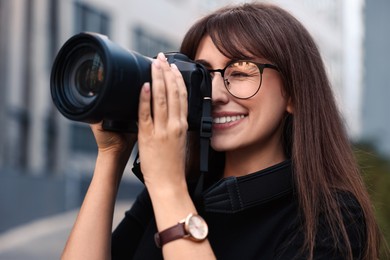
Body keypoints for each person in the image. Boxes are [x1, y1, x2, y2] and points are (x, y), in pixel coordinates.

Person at [61, 3, 382, 260]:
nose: (215, 94)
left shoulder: (332, 220)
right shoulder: (177, 190)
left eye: (240, 72)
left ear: (294, 94)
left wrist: (169, 190)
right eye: (202, 74)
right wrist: (111, 155)